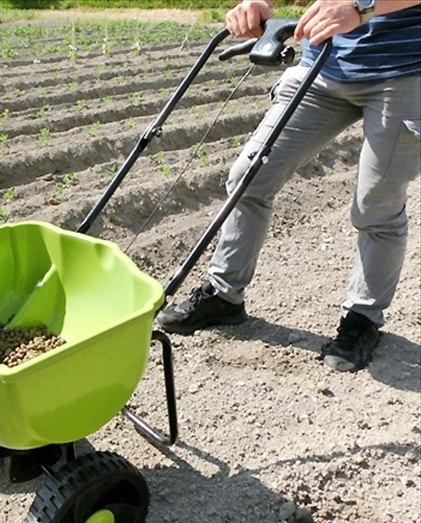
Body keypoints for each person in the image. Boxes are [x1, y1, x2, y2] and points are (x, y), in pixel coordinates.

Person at [157, 0, 421, 372]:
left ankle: (363, 318)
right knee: (248, 177)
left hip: (404, 70)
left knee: (376, 204)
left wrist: (364, 7)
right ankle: (224, 295)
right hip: (323, 63)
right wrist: (254, 4)